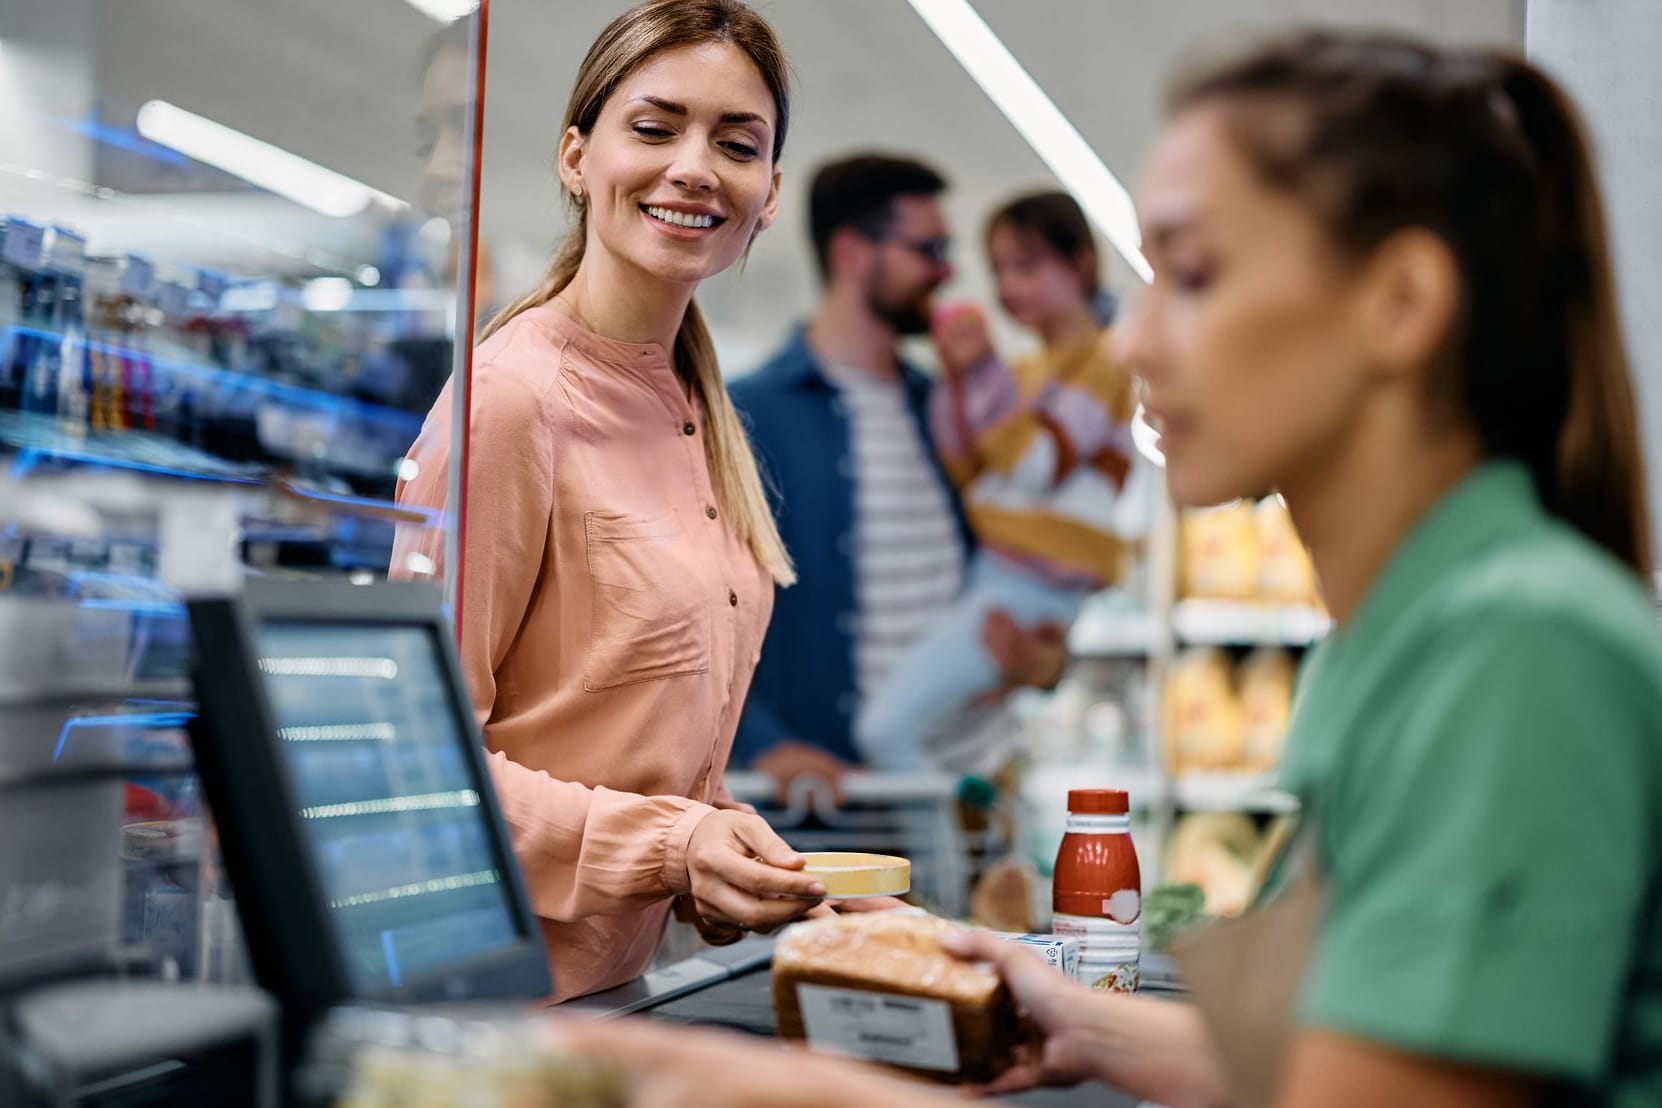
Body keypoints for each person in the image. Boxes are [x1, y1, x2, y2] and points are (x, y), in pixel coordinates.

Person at [552, 28, 1662, 1106]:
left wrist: (737, 1088)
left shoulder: (1513, 651)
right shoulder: (1422, 632)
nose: (1130, 342)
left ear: (1400, 304)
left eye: (1191, 273)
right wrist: (1085, 1018)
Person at [393, 0, 829, 1003]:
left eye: (736, 143)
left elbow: (624, 744)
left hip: (621, 1000)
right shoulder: (510, 402)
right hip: (491, 1012)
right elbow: (422, 769)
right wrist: (676, 845)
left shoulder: (696, 409)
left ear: (767, 195)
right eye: (654, 126)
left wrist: (730, 867)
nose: (694, 166)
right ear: (576, 156)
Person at [731, 155, 1067, 799]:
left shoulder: (944, 405)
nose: (946, 272)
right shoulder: (747, 416)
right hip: (841, 817)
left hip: (972, 795)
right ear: (855, 254)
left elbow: (1013, 563)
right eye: (929, 248)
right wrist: (761, 743)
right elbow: (692, 619)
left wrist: (1045, 659)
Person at [855, 190, 1141, 772]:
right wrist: (961, 383)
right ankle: (955, 837)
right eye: (999, 270)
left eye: (1027, 264)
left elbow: (1035, 466)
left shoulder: (1105, 364)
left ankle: (943, 856)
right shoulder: (1025, 373)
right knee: (922, 732)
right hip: (1002, 579)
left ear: (1080, 263)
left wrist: (981, 375)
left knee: (885, 731)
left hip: (1027, 586)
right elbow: (967, 468)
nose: (1008, 286)